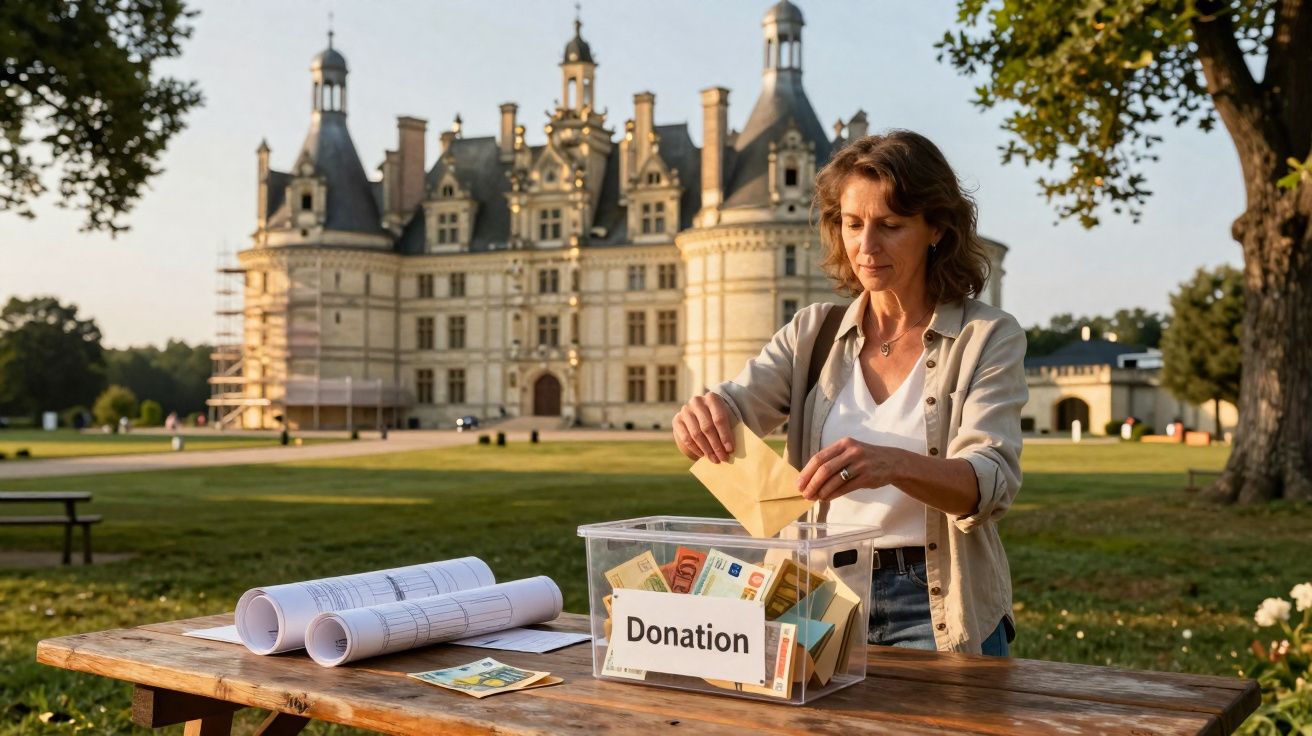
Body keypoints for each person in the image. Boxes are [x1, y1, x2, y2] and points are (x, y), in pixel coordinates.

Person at [672, 130, 1027, 656]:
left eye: (890, 226)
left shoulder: (986, 337)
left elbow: (988, 483)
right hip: (812, 596)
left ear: (936, 229)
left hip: (933, 605)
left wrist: (893, 464)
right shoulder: (813, 331)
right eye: (853, 223)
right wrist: (708, 414)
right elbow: (739, 402)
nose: (865, 246)